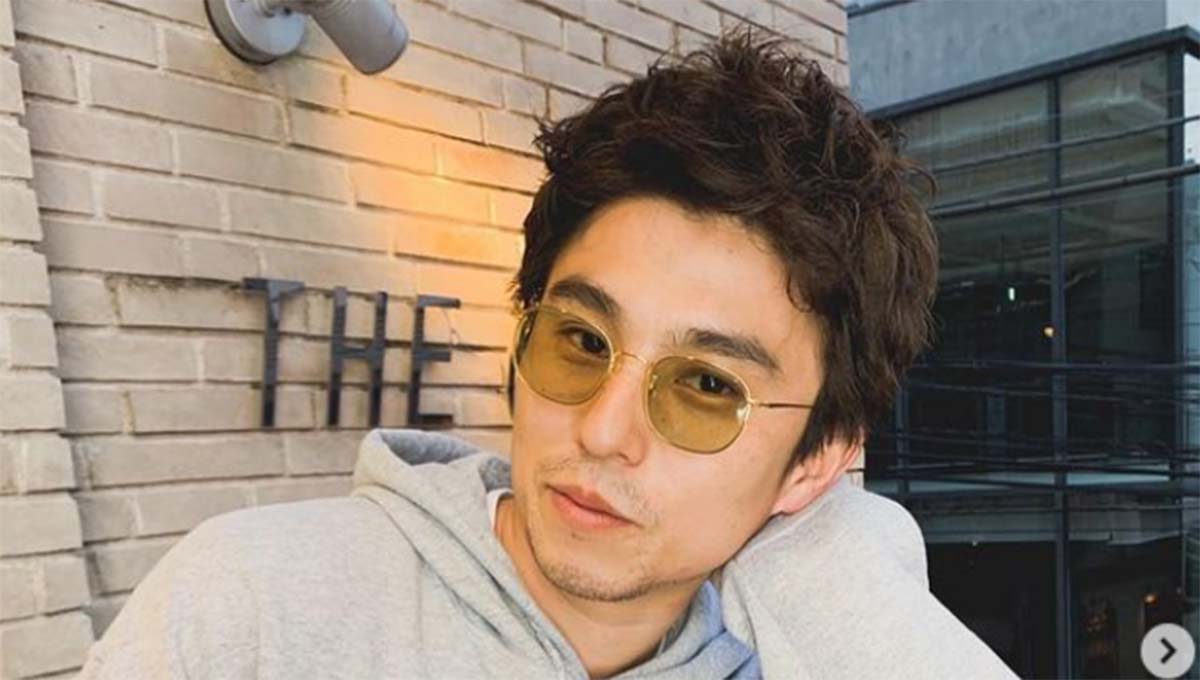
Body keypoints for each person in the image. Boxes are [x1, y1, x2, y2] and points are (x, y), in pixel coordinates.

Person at [79, 29, 1016, 679]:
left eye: (704, 385)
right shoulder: (251, 605)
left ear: (816, 461)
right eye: (581, 341)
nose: (602, 431)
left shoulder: (802, 653)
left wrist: (832, 568)